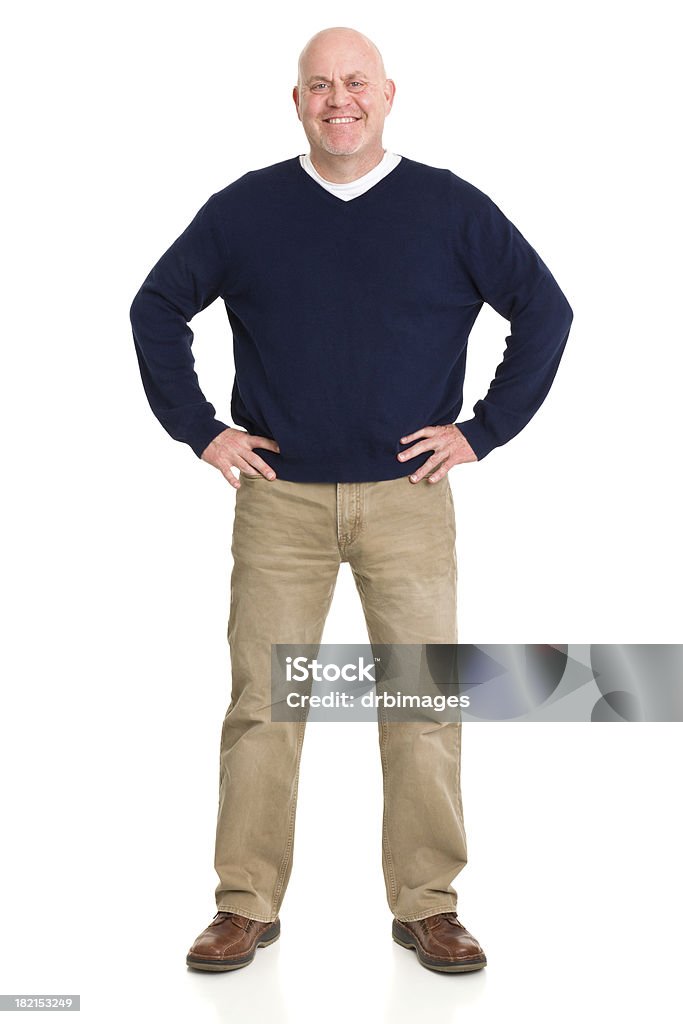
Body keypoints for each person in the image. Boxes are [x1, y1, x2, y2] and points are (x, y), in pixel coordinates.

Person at [129, 25, 573, 974]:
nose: (340, 100)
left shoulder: (448, 208)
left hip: (407, 500)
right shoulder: (246, 209)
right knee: (263, 705)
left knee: (422, 701)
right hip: (277, 500)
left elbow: (545, 309)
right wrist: (200, 428)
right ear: (297, 101)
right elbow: (156, 305)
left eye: (356, 83)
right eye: (320, 85)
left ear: (388, 94)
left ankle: (427, 906)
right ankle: (244, 905)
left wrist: (481, 430)